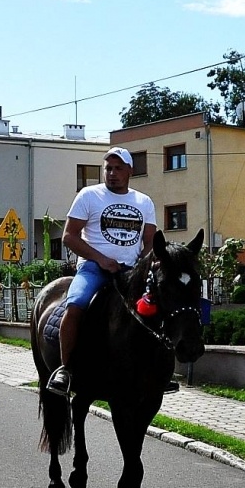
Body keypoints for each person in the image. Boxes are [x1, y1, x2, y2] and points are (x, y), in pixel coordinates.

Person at [46, 147, 156, 395]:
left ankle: (156, 369)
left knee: (156, 309)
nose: (113, 173)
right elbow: (69, 237)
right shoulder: (89, 196)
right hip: (93, 269)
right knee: (76, 304)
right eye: (108, 168)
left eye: (118, 168)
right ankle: (65, 369)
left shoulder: (144, 202)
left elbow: (149, 241)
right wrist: (102, 259)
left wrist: (143, 262)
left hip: (130, 272)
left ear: (130, 171)